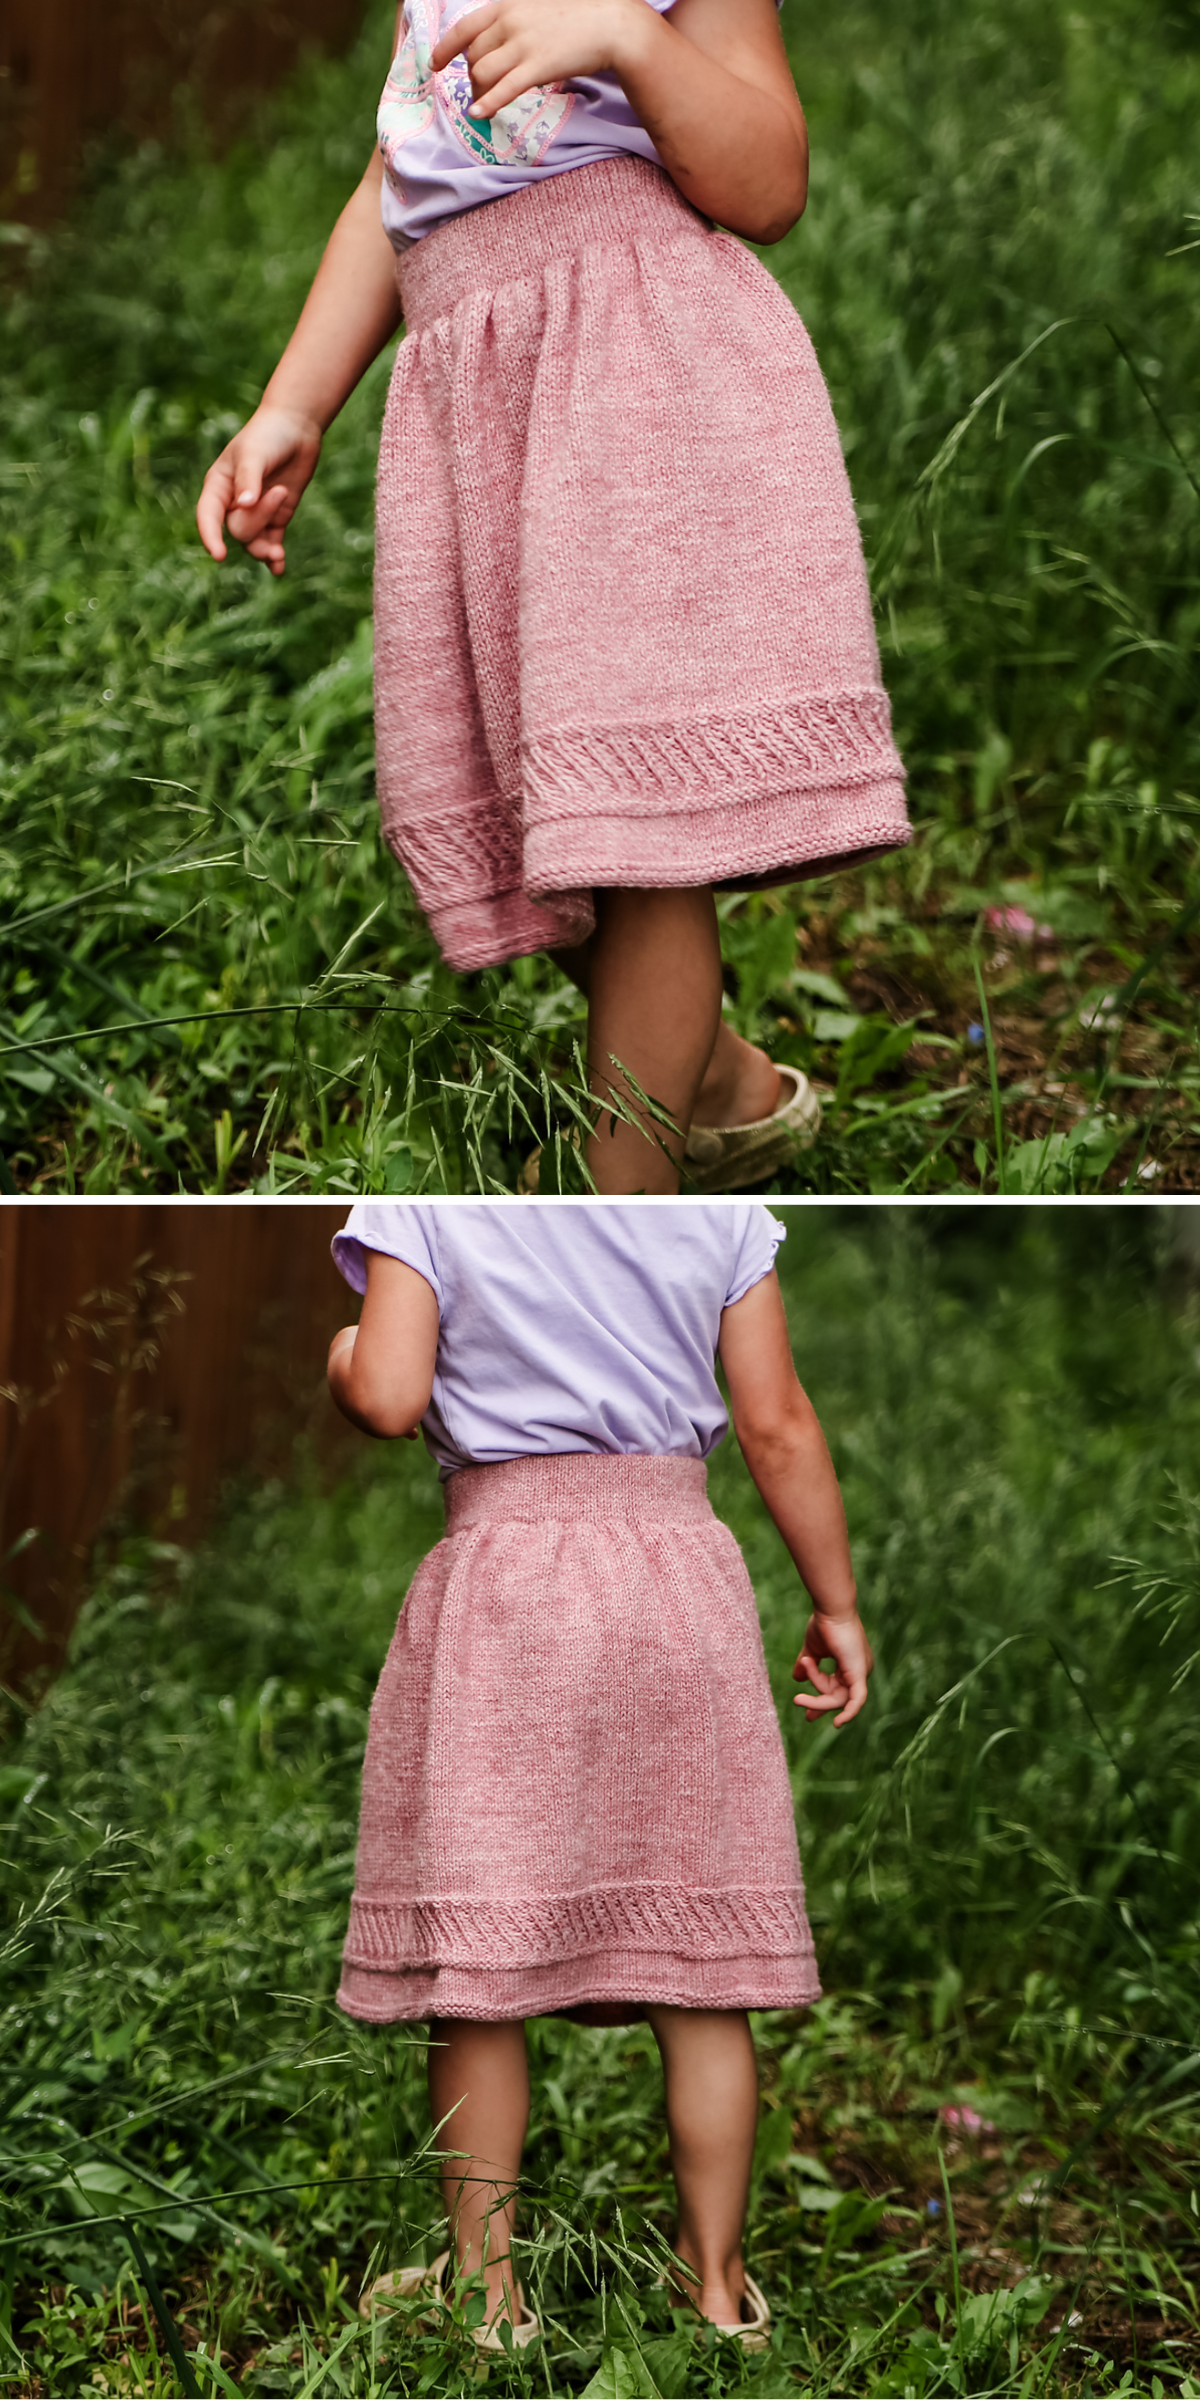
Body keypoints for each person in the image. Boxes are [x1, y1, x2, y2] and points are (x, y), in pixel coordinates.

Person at [196, 0, 910, 1194]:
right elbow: (396, 172)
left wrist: (632, 38)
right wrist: (292, 405)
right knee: (544, 814)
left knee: (633, 840)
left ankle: (620, 1203)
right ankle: (721, 1088)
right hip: (478, 409)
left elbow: (771, 181)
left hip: (626, 387)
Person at [326, 1200, 872, 2351]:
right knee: (703, 1972)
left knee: (480, 1966)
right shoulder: (718, 1213)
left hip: (508, 1593)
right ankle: (716, 2291)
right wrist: (836, 1601)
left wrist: (341, 1349)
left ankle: (490, 2301)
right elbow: (775, 1422)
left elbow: (384, 1393)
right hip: (680, 1584)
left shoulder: (429, 1199)